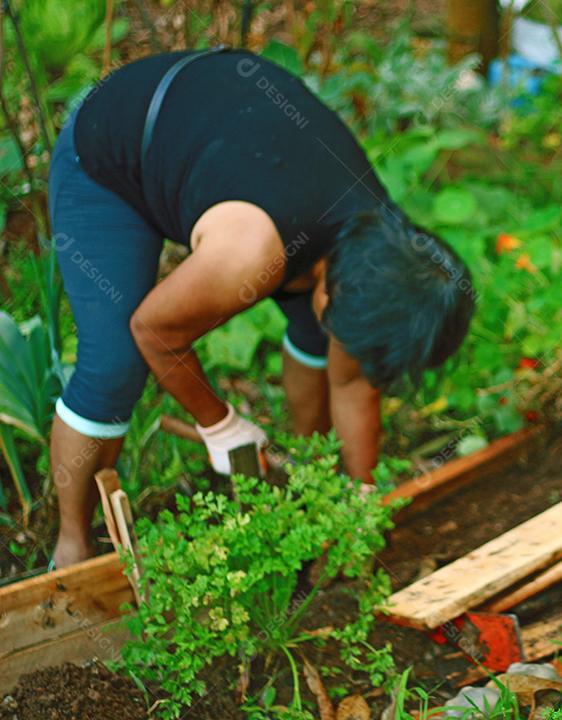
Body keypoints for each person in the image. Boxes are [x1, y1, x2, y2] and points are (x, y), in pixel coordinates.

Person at [47, 48, 475, 567]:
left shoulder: (392, 251)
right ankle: (71, 544)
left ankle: (306, 487)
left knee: (325, 336)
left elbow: (352, 381)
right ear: (331, 284)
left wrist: (358, 500)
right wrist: (220, 424)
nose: (352, 355)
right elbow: (156, 330)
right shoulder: (250, 253)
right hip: (110, 155)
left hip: (227, 145)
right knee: (113, 363)